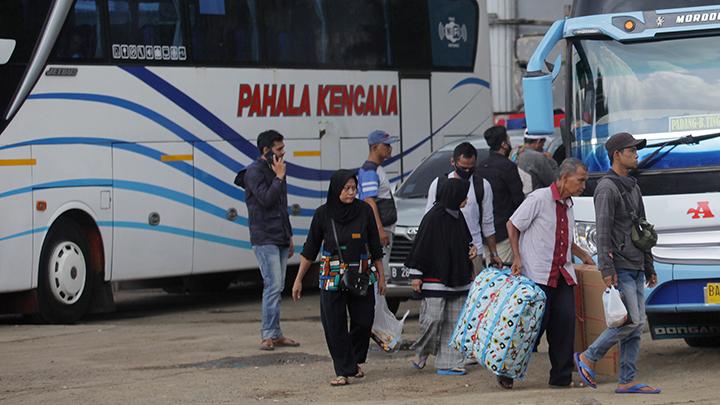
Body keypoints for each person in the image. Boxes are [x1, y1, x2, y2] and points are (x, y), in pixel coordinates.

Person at [574, 132, 660, 394]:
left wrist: (649, 265)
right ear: (617, 155)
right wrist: (607, 269)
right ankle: (589, 356)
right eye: (631, 150)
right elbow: (602, 231)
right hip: (620, 266)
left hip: (636, 265)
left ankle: (627, 380)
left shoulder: (633, 185)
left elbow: (642, 229)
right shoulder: (606, 188)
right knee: (629, 321)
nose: (636, 154)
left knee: (635, 326)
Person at [505, 158, 595, 389]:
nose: (584, 185)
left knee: (564, 326)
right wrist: (517, 256)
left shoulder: (569, 203)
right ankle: (507, 370)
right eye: (581, 180)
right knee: (531, 329)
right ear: (564, 178)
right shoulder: (539, 198)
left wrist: (581, 252)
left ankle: (561, 378)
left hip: (563, 273)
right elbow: (512, 225)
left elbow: (562, 235)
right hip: (538, 274)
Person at [291, 170, 386, 386]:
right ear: (336, 189)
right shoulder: (323, 214)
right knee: (334, 324)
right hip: (332, 275)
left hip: (361, 272)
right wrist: (298, 280)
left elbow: (374, 245)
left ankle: (351, 361)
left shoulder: (364, 211)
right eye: (347, 188)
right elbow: (310, 249)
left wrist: (381, 276)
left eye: (354, 188)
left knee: (363, 321)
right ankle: (343, 370)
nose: (352, 192)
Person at [407, 178, 478, 376]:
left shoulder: (458, 217)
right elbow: (421, 247)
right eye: (463, 195)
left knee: (454, 321)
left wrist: (471, 250)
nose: (466, 200)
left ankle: (449, 362)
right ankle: (422, 351)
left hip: (459, 277)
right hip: (434, 278)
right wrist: (416, 276)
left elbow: (465, 241)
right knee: (433, 318)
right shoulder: (432, 218)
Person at [244, 130, 299, 351]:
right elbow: (266, 200)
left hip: (280, 236)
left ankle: (276, 334)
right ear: (266, 150)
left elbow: (281, 206)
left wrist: (289, 235)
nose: (283, 153)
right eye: (279, 149)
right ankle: (267, 334)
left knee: (279, 286)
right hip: (264, 236)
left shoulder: (277, 169)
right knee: (272, 285)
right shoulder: (254, 172)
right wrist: (278, 177)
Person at [426, 142, 502, 274]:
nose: (466, 172)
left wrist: (493, 253)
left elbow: (488, 223)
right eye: (462, 168)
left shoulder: (482, 186)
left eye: (470, 168)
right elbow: (428, 221)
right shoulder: (439, 184)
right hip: (444, 251)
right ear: (453, 162)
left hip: (473, 252)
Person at [477, 125, 525, 264]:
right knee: (503, 274)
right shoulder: (508, 167)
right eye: (508, 139)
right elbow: (518, 200)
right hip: (504, 233)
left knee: (489, 275)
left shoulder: (481, 167)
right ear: (504, 144)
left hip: (484, 233)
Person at [357, 130, 398, 276]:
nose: (390, 148)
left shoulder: (377, 168)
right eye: (386, 145)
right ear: (374, 147)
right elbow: (369, 201)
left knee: (380, 272)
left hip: (384, 228)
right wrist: (379, 230)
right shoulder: (370, 170)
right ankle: (377, 299)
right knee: (380, 273)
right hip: (380, 229)